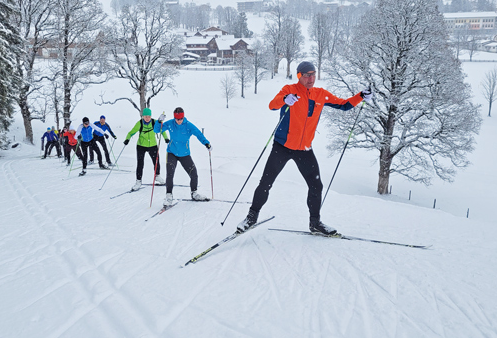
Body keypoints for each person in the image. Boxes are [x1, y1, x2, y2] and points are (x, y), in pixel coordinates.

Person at [236, 61, 372, 235]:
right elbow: (273, 105)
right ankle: (251, 218)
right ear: (299, 75)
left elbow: (344, 105)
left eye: (313, 74)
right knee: (266, 183)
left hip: (305, 150)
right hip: (282, 147)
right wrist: (285, 99)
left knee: (316, 186)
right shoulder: (289, 90)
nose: (311, 78)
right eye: (307, 75)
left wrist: (360, 96)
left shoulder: (320, 94)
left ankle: (315, 223)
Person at [154, 107, 211, 206]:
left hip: (185, 154)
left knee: (194, 173)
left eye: (180, 119)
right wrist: (159, 121)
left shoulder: (188, 125)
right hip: (172, 152)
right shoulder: (171, 123)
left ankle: (194, 193)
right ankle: (169, 196)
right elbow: (157, 130)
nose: (178, 121)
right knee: (170, 174)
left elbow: (198, 134)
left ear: (183, 117)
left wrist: (206, 143)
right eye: (177, 119)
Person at [124, 108, 169, 191]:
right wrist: (127, 139)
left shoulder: (154, 122)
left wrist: (166, 138)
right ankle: (138, 181)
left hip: (153, 145)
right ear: (143, 116)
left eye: (148, 116)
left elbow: (162, 130)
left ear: (150, 116)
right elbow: (131, 132)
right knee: (140, 163)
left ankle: (157, 176)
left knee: (156, 161)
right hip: (141, 146)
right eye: (145, 116)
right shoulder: (139, 123)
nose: (147, 118)